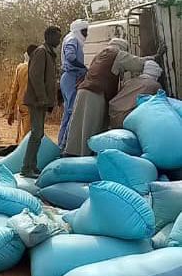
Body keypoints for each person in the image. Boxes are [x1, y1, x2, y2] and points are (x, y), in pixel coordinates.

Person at [65, 38, 163, 156]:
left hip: (83, 90)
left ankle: (71, 153)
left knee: (78, 125)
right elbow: (139, 63)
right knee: (92, 125)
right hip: (96, 93)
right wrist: (156, 56)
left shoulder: (100, 54)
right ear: (123, 48)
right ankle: (86, 154)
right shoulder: (117, 54)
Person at [21, 26, 62, 178]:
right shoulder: (41, 52)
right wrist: (42, 97)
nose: (59, 40)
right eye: (57, 37)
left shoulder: (48, 54)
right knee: (36, 133)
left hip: (41, 100)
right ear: (49, 37)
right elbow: (35, 76)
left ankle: (32, 165)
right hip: (37, 100)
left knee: (38, 134)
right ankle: (26, 168)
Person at [58, 19, 89, 150]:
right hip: (72, 76)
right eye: (84, 31)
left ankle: (61, 144)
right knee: (72, 111)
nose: (86, 34)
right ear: (78, 30)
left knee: (68, 113)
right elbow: (70, 57)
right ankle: (65, 145)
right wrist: (85, 66)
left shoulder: (72, 38)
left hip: (70, 77)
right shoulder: (73, 39)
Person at [109, 60, 163, 128]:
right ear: (156, 74)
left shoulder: (130, 82)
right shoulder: (154, 85)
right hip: (127, 119)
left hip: (114, 116)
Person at [6, 44, 38, 143]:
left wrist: (10, 109)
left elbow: (14, 90)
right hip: (33, 105)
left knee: (25, 131)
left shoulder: (20, 68)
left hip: (22, 105)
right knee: (29, 135)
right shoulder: (38, 68)